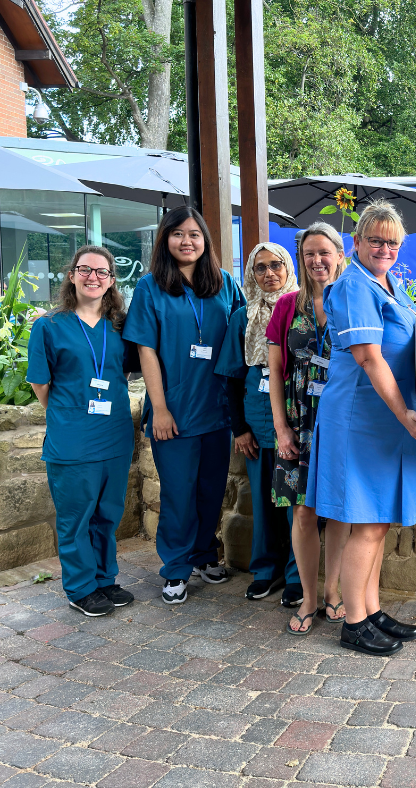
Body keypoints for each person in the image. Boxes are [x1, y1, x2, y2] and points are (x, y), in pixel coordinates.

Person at [307, 200, 416, 655]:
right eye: (376, 239)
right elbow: (368, 356)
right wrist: (405, 413)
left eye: (393, 242)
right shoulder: (352, 287)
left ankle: (372, 608)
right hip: (362, 417)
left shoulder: (390, 283)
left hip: (389, 416)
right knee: (365, 521)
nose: (385, 247)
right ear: (357, 242)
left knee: (379, 521)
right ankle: (354, 622)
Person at [123, 206, 245, 605]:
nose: (187, 241)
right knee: (178, 494)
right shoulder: (150, 287)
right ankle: (175, 567)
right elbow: (146, 350)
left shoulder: (225, 284)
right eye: (178, 234)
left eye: (194, 234)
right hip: (172, 413)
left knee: (211, 490)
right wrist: (158, 409)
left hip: (217, 411)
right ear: (165, 239)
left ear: (205, 240)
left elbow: (248, 331)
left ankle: (204, 555)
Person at [27, 246, 136, 617]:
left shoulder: (119, 325)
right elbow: (40, 385)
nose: (93, 277)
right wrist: (68, 414)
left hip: (115, 435)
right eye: (85, 270)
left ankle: (105, 578)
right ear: (71, 275)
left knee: (108, 513)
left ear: (111, 281)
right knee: (76, 516)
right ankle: (81, 588)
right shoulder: (50, 325)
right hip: (73, 438)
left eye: (102, 272)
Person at [267, 224, 351, 633]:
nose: (317, 260)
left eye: (324, 252)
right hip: (299, 418)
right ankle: (309, 597)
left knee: (337, 509)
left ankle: (334, 591)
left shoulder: (352, 300)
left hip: (341, 418)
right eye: (308, 254)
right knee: (303, 511)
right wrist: (281, 429)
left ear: (339, 254)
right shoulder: (286, 306)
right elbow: (276, 371)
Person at [216, 242, 303, 606]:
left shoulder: (303, 309)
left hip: (298, 423)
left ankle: (298, 573)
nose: (269, 274)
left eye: (276, 265)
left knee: (296, 503)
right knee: (264, 504)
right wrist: (239, 428)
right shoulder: (242, 317)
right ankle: (266, 570)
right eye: (260, 267)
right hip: (258, 426)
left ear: (288, 269)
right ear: (251, 274)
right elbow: (231, 379)